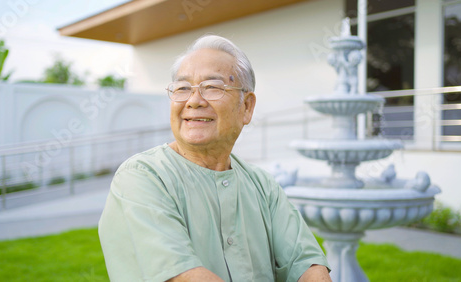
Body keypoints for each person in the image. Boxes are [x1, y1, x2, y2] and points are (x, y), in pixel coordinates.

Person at [98, 35, 331, 282]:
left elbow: (307, 262)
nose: (194, 101)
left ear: (247, 107)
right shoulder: (142, 176)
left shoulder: (263, 185)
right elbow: (183, 275)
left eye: (212, 87)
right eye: (183, 88)